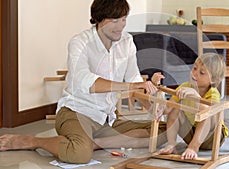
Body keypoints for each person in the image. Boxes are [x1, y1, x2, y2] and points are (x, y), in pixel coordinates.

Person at [0, 0, 166, 164]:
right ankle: (34, 141)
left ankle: (93, 144)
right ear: (99, 19)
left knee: (162, 132)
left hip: (106, 119)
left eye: (123, 19)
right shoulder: (79, 42)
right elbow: (88, 83)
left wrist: (153, 106)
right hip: (76, 113)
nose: (121, 26)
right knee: (79, 155)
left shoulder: (127, 42)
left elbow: (134, 80)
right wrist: (131, 86)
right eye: (115, 21)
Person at [155, 53, 229, 160]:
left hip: (212, 137)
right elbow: (168, 109)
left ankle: (193, 148)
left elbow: (208, 112)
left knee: (207, 114)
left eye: (202, 73)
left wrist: (195, 96)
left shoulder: (213, 93)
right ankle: (171, 144)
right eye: (194, 68)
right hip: (192, 132)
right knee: (175, 109)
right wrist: (162, 107)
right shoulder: (184, 87)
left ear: (213, 80)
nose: (195, 73)